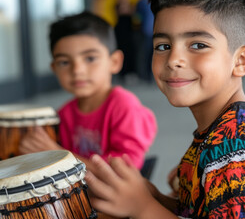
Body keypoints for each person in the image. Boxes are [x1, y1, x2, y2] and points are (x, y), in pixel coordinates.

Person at [84, 0, 245, 218]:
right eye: (163, 46)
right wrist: (154, 198)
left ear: (241, 60)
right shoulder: (224, 126)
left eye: (198, 44)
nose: (174, 59)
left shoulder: (233, 142)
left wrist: (143, 207)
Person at [19, 11, 157, 172]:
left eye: (90, 58)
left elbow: (123, 173)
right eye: (64, 62)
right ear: (54, 68)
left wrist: (58, 154)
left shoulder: (124, 107)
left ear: (114, 62)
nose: (77, 70)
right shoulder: (64, 114)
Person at [135, 0, 157, 83]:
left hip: (156, 32)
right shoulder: (142, 1)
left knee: (154, 55)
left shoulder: (158, 0)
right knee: (144, 55)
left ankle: (152, 75)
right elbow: (137, 17)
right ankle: (143, 76)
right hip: (145, 32)